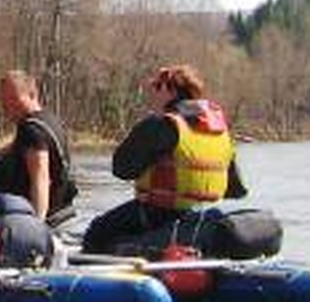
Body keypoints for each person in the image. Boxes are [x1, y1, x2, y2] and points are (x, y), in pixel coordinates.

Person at [82, 63, 246, 255]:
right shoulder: (221, 131)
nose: (152, 93)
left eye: (157, 87)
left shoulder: (163, 125)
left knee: (96, 233)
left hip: (155, 214)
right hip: (199, 215)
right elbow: (235, 190)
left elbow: (122, 169)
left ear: (171, 91)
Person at [0, 70, 77, 223]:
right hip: (60, 205)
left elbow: (41, 177)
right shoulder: (48, 120)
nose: (7, 106)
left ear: (32, 95)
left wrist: (37, 223)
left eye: (13, 99)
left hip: (32, 208)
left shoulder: (31, 130)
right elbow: (17, 148)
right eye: (3, 101)